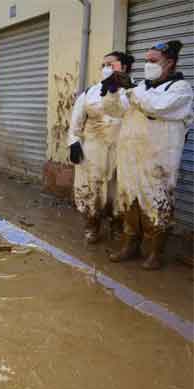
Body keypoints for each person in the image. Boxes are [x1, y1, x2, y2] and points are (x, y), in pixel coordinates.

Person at [102, 40, 193, 270]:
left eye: (153, 61)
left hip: (158, 160)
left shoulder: (180, 89)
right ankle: (130, 245)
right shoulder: (142, 87)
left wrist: (130, 88)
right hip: (131, 157)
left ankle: (155, 252)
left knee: (158, 203)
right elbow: (115, 110)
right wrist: (111, 93)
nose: (148, 65)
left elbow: (156, 107)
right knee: (129, 200)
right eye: (146, 60)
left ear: (170, 62)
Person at [67, 51, 135, 244]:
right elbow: (76, 121)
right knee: (92, 189)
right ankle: (92, 225)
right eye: (103, 65)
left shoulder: (134, 92)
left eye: (110, 64)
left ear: (124, 67)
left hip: (122, 149)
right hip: (93, 150)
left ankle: (116, 226)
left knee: (118, 190)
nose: (106, 68)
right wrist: (73, 142)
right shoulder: (90, 92)